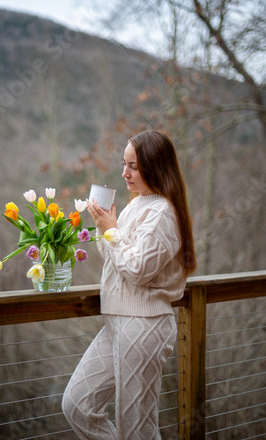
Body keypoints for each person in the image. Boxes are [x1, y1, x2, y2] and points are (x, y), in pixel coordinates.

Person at [62, 130, 196, 439]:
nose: (124, 173)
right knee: (77, 405)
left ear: (155, 166)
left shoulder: (163, 213)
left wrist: (112, 231)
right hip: (116, 322)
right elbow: (116, 259)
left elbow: (137, 269)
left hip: (143, 325)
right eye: (124, 164)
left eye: (133, 166)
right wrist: (103, 227)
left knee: (136, 429)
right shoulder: (137, 204)